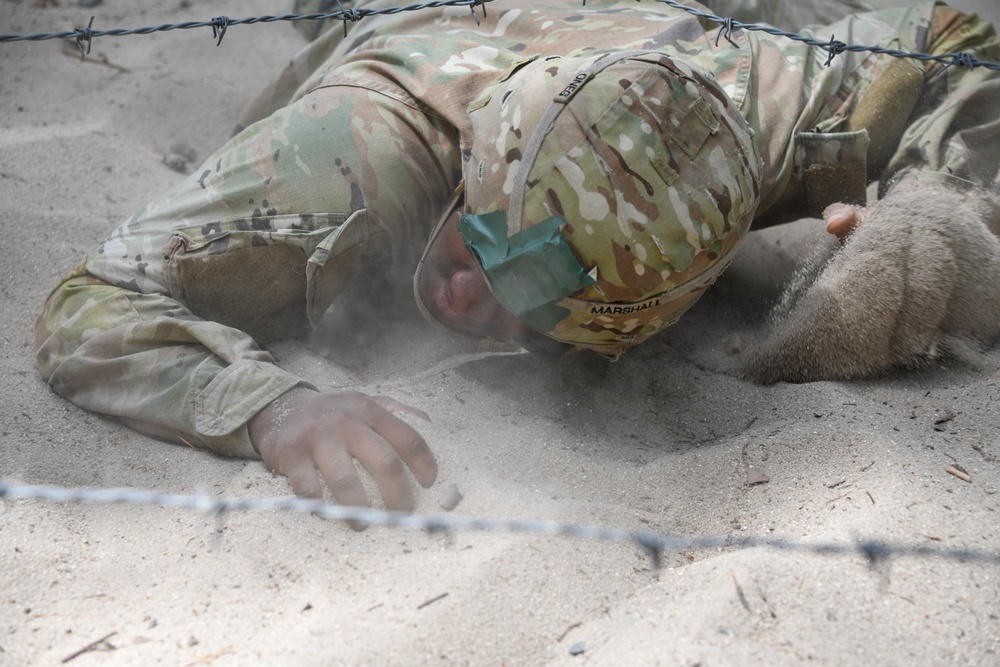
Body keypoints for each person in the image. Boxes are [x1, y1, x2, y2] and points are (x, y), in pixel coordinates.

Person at [35, 0, 1000, 516]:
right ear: (473, 171)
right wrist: (273, 409)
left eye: (532, 306)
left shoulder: (761, 110)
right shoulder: (357, 151)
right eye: (482, 240)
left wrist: (936, 198)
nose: (464, 292)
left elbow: (953, 38)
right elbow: (96, 301)